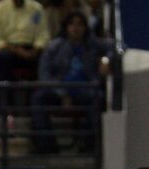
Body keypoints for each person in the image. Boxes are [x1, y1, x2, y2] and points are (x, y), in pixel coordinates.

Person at [30, 10, 111, 154]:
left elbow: (117, 47)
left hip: (86, 90)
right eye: (72, 24)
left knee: (99, 98)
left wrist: (105, 60)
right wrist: (62, 94)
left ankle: (89, 146)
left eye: (80, 24)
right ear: (66, 27)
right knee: (38, 98)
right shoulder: (54, 47)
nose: (76, 28)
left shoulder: (93, 44)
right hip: (60, 89)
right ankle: (47, 146)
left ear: (85, 28)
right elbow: (44, 75)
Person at [0, 0, 50, 83]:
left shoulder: (36, 8)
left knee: (48, 55)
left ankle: (43, 91)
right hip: (9, 49)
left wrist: (36, 50)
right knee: (3, 57)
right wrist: (18, 51)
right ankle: (7, 91)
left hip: (32, 49)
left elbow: (43, 34)